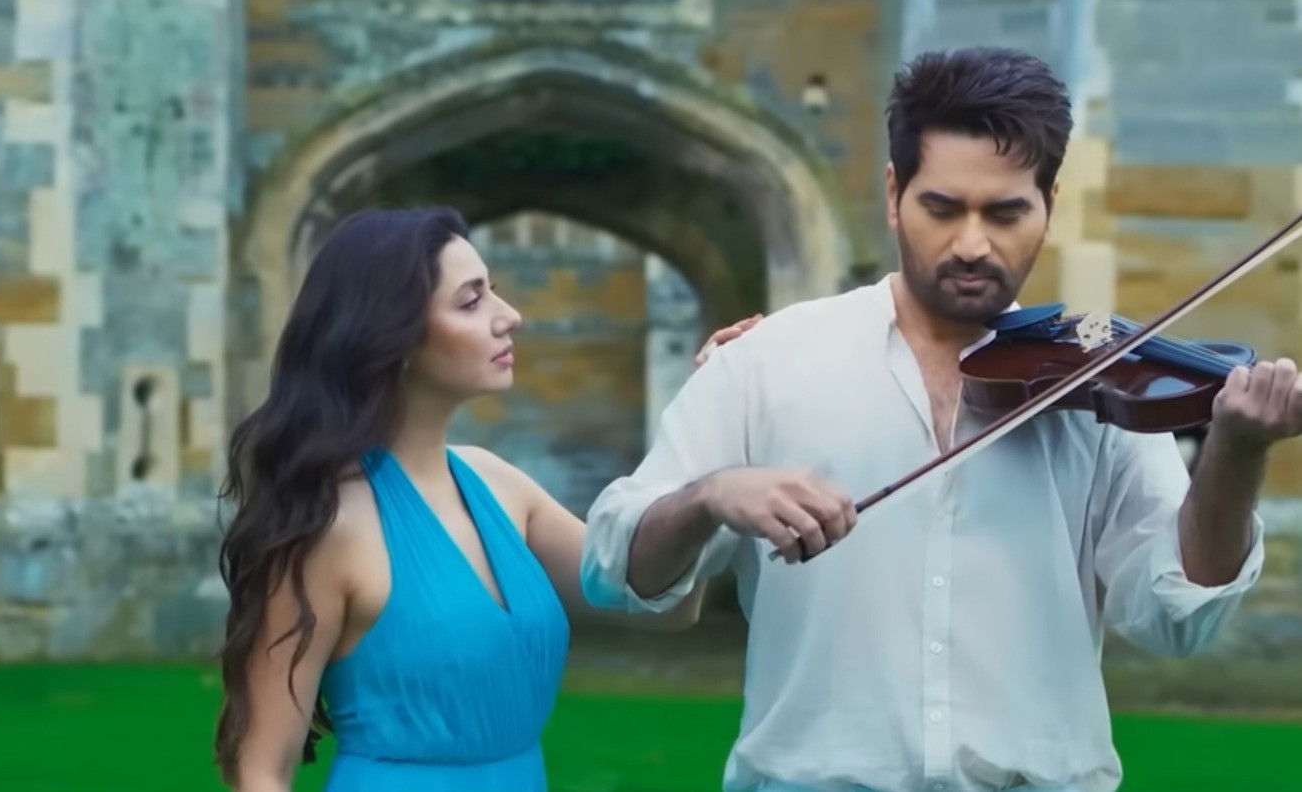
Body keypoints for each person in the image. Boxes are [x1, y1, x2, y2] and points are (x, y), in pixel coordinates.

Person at [581, 46, 1300, 792]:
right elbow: (616, 573)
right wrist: (710, 494)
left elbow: (1178, 617)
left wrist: (1238, 451)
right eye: (943, 208)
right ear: (895, 194)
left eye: (1006, 212)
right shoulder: (766, 361)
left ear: (1050, 204)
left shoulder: (1102, 380)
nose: (972, 245)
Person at [210, 205, 757, 792]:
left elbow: (663, 602)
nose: (510, 316)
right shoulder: (330, 526)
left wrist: (711, 418)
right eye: (471, 301)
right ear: (393, 335)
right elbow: (259, 769)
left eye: (492, 292)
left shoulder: (496, 483)